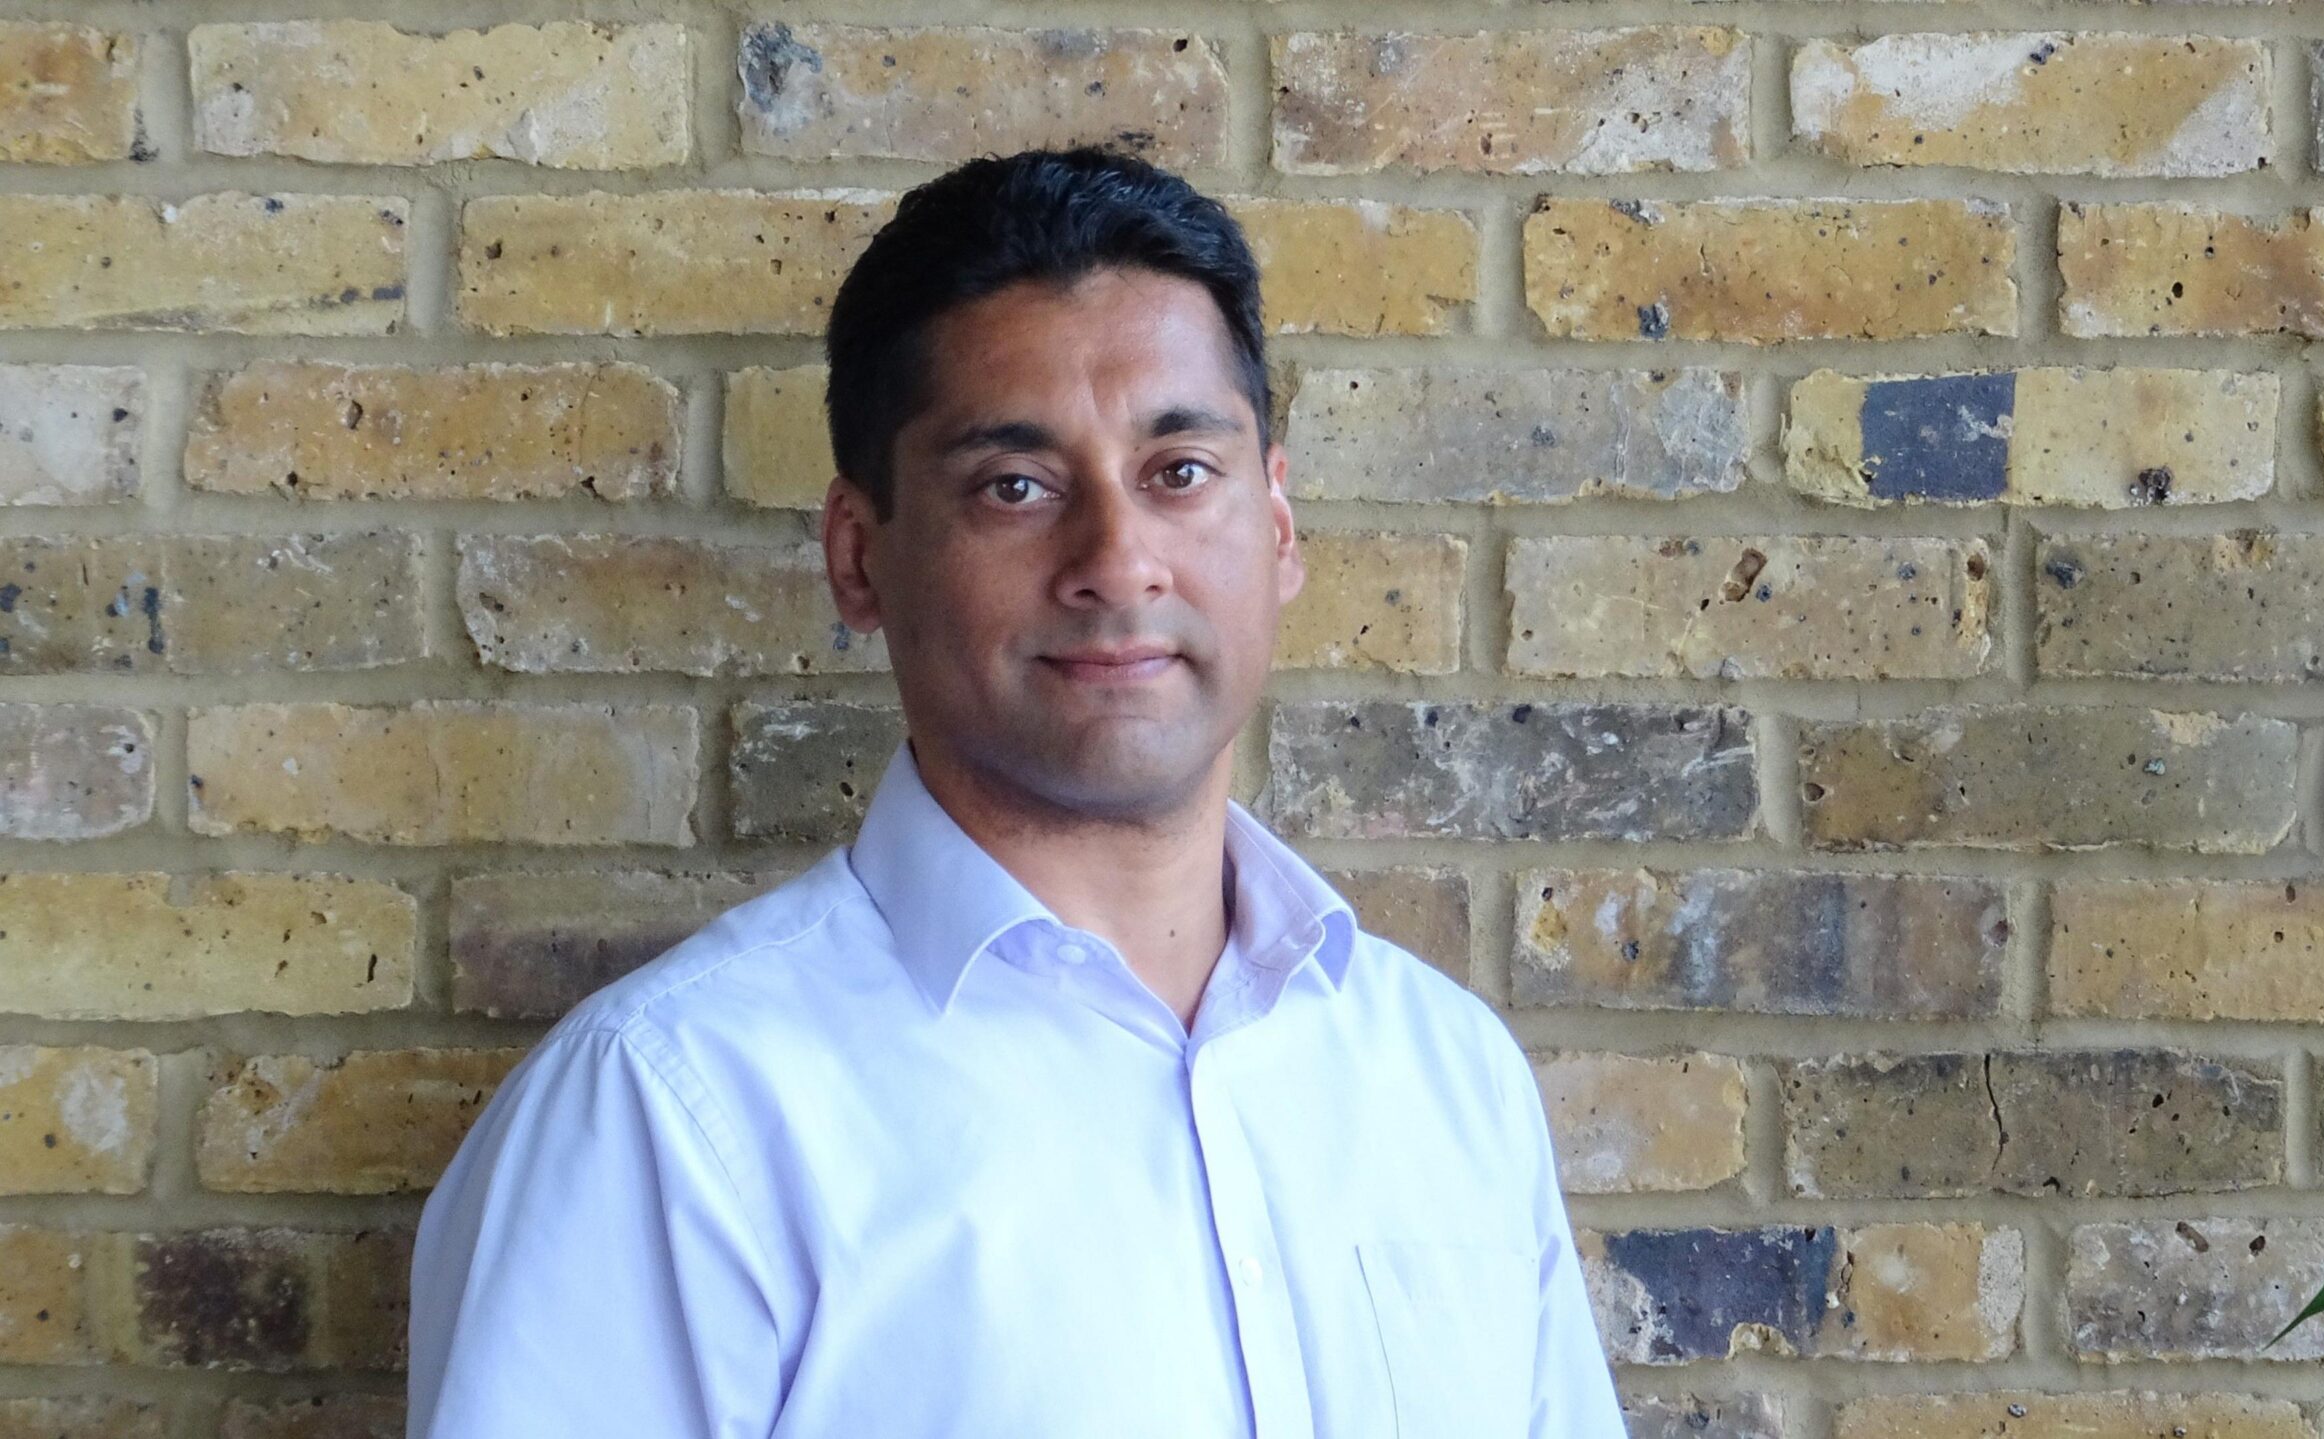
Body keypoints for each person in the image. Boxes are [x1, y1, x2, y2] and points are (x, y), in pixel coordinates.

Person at [406, 145, 1627, 1439]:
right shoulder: (670, 1115)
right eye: (1017, 487)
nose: (1117, 560)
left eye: (1179, 470)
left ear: (1276, 524)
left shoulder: (1448, 1077)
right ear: (859, 557)